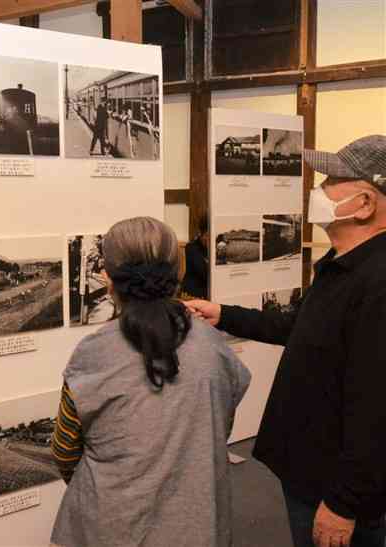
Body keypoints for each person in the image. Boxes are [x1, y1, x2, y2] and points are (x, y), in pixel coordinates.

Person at [187, 135, 386, 547]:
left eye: (331, 180)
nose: (318, 191)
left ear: (365, 203)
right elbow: (301, 328)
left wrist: (344, 504)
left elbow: (376, 407)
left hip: (334, 488)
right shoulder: (343, 265)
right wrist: (225, 315)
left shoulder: (378, 282)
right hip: (311, 470)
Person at [50, 217, 250, 547]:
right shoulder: (214, 347)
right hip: (196, 526)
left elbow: (64, 450)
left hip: (110, 526)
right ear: (178, 274)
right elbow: (219, 427)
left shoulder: (93, 354)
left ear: (108, 279)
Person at [182, 214, 210, 298]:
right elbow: (205, 274)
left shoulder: (216, 247)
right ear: (200, 233)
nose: (209, 239)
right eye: (207, 236)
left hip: (208, 292)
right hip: (194, 293)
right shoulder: (191, 248)